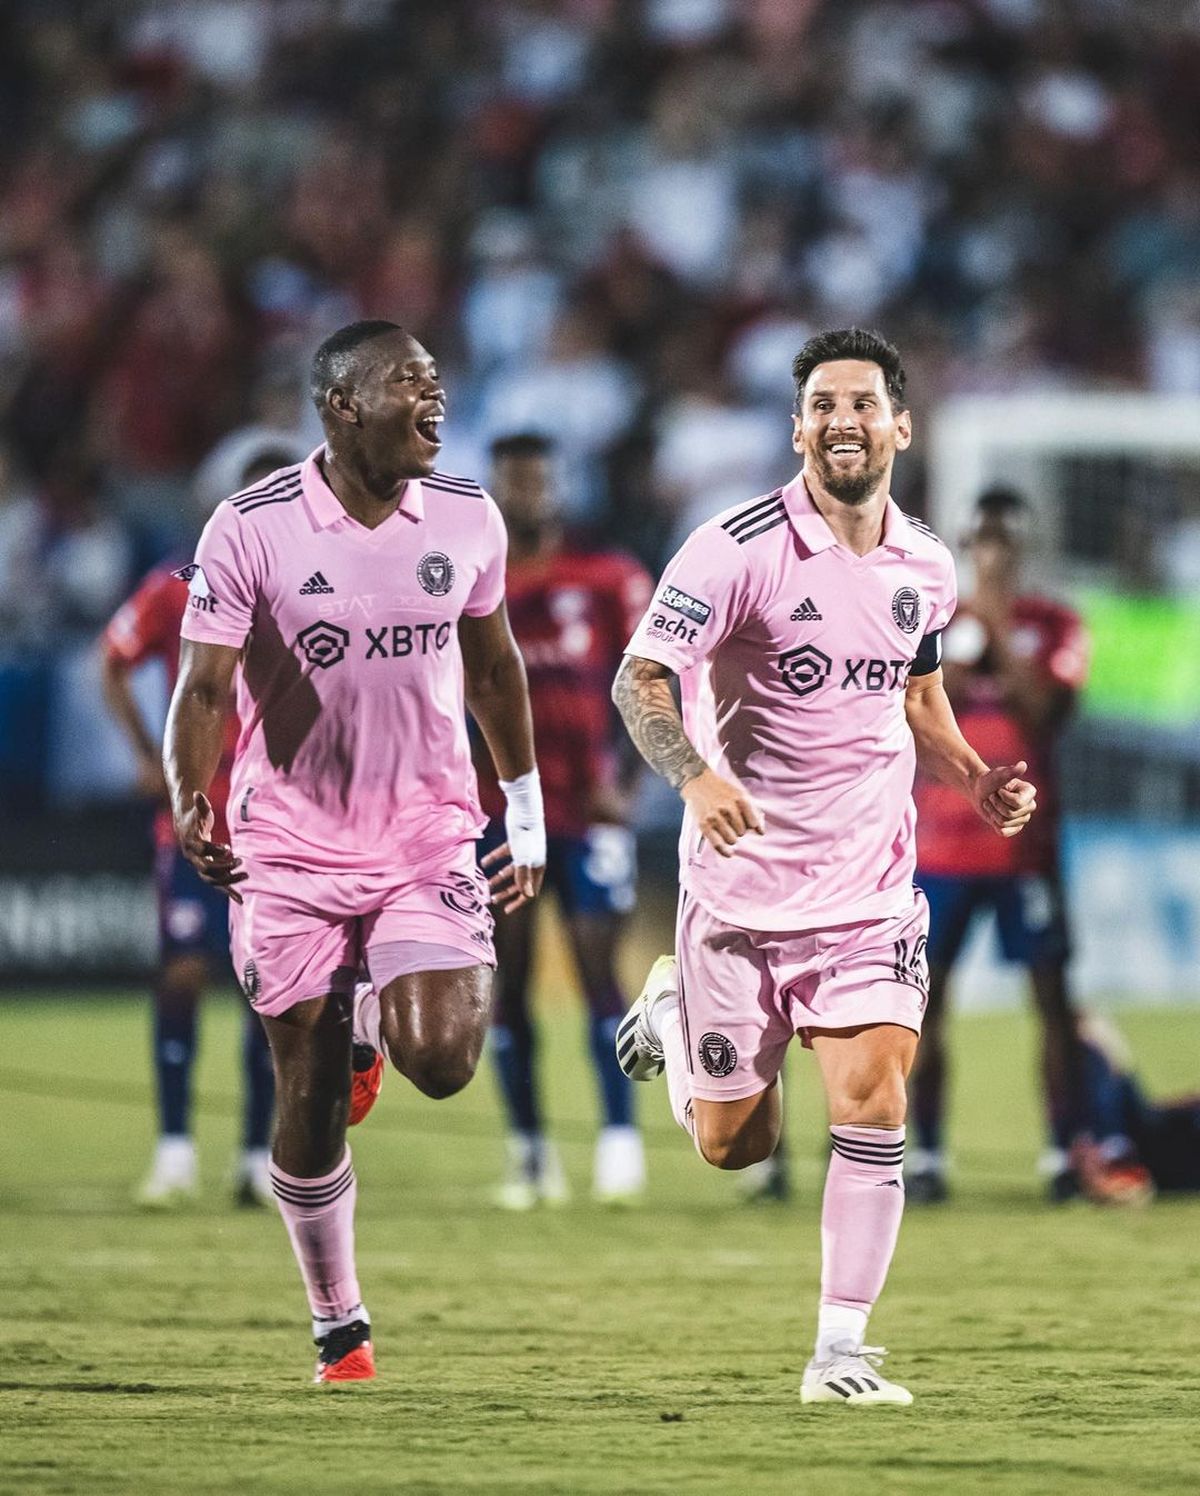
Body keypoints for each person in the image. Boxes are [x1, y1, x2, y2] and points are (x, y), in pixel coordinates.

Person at [612, 327, 1037, 1407]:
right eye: (823, 404)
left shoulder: (926, 565)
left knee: (873, 1098)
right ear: (798, 427)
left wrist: (977, 778)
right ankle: (672, 1008)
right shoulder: (734, 546)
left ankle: (839, 1351)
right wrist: (697, 777)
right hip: (739, 894)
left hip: (867, 892)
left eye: (863, 402)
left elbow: (917, 695)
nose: (843, 419)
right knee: (735, 1146)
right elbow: (642, 679)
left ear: (901, 424)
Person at [163, 320, 544, 1383]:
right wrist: (191, 794)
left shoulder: (468, 516)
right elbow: (201, 686)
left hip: (427, 832)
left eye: (436, 383)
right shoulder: (250, 527)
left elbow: (496, 666)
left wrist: (525, 808)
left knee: (444, 1057)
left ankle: (379, 1014)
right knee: (308, 1091)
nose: (433, 402)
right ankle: (339, 1319)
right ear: (340, 405)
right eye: (406, 385)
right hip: (288, 846)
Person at [101, 433, 305, 1207]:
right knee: (184, 973)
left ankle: (257, 1151)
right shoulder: (178, 587)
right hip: (194, 816)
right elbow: (112, 658)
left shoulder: (318, 590)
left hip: (280, 828)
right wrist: (150, 759)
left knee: (270, 991)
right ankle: (176, 1145)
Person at [476, 432, 653, 1207]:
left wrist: (630, 778)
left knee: (597, 970)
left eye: (540, 481)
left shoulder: (609, 577)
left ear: (558, 487)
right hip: (496, 814)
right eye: (515, 482)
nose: (529, 495)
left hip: (587, 810)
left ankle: (620, 1140)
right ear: (495, 489)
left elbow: (655, 679)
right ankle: (530, 1152)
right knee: (506, 986)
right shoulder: (467, 586)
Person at [908, 488, 1092, 1204]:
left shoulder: (1053, 623)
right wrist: (966, 646)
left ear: (1026, 546)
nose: (996, 550)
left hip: (1025, 853)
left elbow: (1046, 709)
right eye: (985, 537)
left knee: (1052, 1000)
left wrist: (994, 620)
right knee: (924, 1005)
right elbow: (918, 708)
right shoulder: (931, 619)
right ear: (965, 541)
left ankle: (1061, 1153)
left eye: (1008, 538)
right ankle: (923, 1157)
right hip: (941, 850)